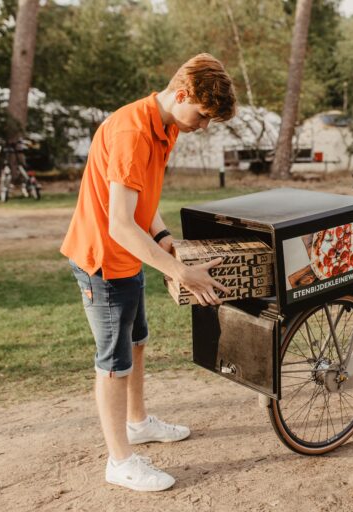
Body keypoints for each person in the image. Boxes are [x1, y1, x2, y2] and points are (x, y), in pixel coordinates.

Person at [60, 54, 237, 492]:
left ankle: (137, 423)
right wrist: (180, 271)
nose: (203, 126)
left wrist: (164, 242)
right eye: (202, 115)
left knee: (136, 344)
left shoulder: (166, 127)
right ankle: (120, 461)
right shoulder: (132, 132)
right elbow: (119, 223)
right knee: (113, 364)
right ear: (182, 94)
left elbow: (141, 203)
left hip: (130, 256)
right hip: (102, 260)